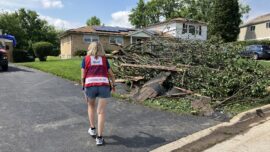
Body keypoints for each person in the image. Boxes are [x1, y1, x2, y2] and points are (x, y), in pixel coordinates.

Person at [81, 42, 116, 146]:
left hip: (90, 86)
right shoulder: (105, 60)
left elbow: (83, 76)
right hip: (103, 86)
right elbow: (111, 75)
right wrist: (113, 86)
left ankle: (92, 129)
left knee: (91, 107)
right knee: (101, 112)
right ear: (101, 49)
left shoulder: (85, 59)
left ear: (90, 48)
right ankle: (99, 138)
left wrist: (83, 88)